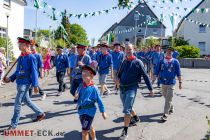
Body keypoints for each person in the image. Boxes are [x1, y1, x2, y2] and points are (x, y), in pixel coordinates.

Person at [3, 37, 45, 130]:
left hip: (25, 83)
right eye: (19, 44)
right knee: (27, 100)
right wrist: (10, 78)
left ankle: (13, 124)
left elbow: (34, 72)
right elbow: (18, 71)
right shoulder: (21, 57)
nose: (19, 46)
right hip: (19, 82)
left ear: (26, 45)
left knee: (17, 103)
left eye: (21, 44)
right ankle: (40, 113)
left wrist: (35, 85)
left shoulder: (31, 57)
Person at [117, 43, 154, 140]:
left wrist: (150, 88)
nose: (128, 51)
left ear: (134, 50)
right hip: (122, 88)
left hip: (132, 88)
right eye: (126, 49)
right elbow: (119, 73)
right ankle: (136, 118)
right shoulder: (124, 61)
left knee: (126, 110)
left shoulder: (138, 62)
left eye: (130, 49)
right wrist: (117, 80)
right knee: (128, 106)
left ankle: (125, 131)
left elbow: (145, 76)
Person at [74, 65, 107, 140]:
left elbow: (99, 100)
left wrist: (103, 111)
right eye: (82, 75)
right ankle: (94, 138)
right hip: (81, 111)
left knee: (84, 131)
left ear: (91, 76)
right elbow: (77, 94)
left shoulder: (94, 88)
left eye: (86, 75)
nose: (83, 77)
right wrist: (76, 97)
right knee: (90, 126)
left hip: (90, 111)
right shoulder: (80, 85)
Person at [153, 47, 182, 121]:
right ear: (165, 52)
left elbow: (179, 73)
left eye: (171, 52)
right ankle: (171, 106)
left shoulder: (175, 61)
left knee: (168, 98)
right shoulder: (161, 61)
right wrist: (152, 82)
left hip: (171, 82)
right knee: (166, 97)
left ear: (172, 53)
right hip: (163, 82)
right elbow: (156, 71)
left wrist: (180, 82)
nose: (169, 52)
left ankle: (165, 114)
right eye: (168, 51)